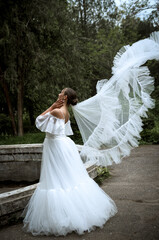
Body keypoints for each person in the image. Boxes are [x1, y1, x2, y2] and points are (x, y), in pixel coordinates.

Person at [22, 87, 117, 236]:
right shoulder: (66, 112)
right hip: (63, 145)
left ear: (65, 97)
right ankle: (78, 213)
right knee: (68, 178)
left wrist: (52, 107)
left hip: (55, 147)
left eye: (61, 92)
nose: (59, 93)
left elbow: (39, 121)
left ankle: (63, 217)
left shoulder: (56, 111)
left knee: (57, 179)